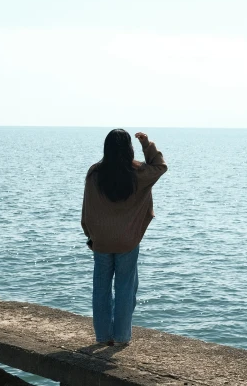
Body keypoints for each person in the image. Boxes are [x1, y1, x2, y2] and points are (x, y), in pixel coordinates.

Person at [81, 129, 168, 346]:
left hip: (100, 241)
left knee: (101, 290)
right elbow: (160, 167)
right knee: (125, 290)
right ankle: (121, 338)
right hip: (127, 242)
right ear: (128, 148)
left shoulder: (95, 173)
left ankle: (103, 337)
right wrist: (147, 144)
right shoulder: (138, 173)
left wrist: (90, 236)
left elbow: (87, 209)